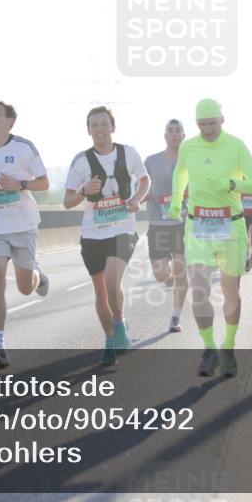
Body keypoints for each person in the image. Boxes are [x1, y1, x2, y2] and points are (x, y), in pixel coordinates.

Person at [167, 99, 252, 377]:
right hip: (198, 227)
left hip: (231, 227)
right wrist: (176, 202)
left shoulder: (236, 146)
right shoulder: (188, 147)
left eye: (212, 123)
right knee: (199, 288)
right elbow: (180, 175)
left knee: (231, 290)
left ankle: (229, 347)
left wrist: (232, 184)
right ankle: (209, 349)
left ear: (222, 120)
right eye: (201, 124)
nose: (207, 129)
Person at [64, 106, 150, 365]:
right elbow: (67, 201)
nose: (99, 130)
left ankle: (119, 324)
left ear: (112, 127)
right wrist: (83, 190)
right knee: (101, 292)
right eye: (94, 125)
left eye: (104, 124)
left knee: (113, 281)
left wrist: (136, 199)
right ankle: (111, 338)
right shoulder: (80, 161)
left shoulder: (128, 153)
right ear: (88, 130)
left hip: (123, 228)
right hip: (92, 234)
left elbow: (145, 180)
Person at [0, 102, 50, 368]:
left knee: (24, 287)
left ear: (11, 121)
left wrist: (20, 184)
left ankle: (37, 275)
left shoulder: (24, 148)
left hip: (23, 224)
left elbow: (44, 182)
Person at [143, 119, 188, 332]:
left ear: (183, 136)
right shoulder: (151, 161)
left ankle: (175, 317)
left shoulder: (192, 161)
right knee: (160, 274)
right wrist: (140, 197)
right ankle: (168, 277)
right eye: (170, 131)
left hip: (183, 223)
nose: (173, 134)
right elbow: (141, 187)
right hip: (157, 223)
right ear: (164, 136)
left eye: (177, 130)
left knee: (181, 270)